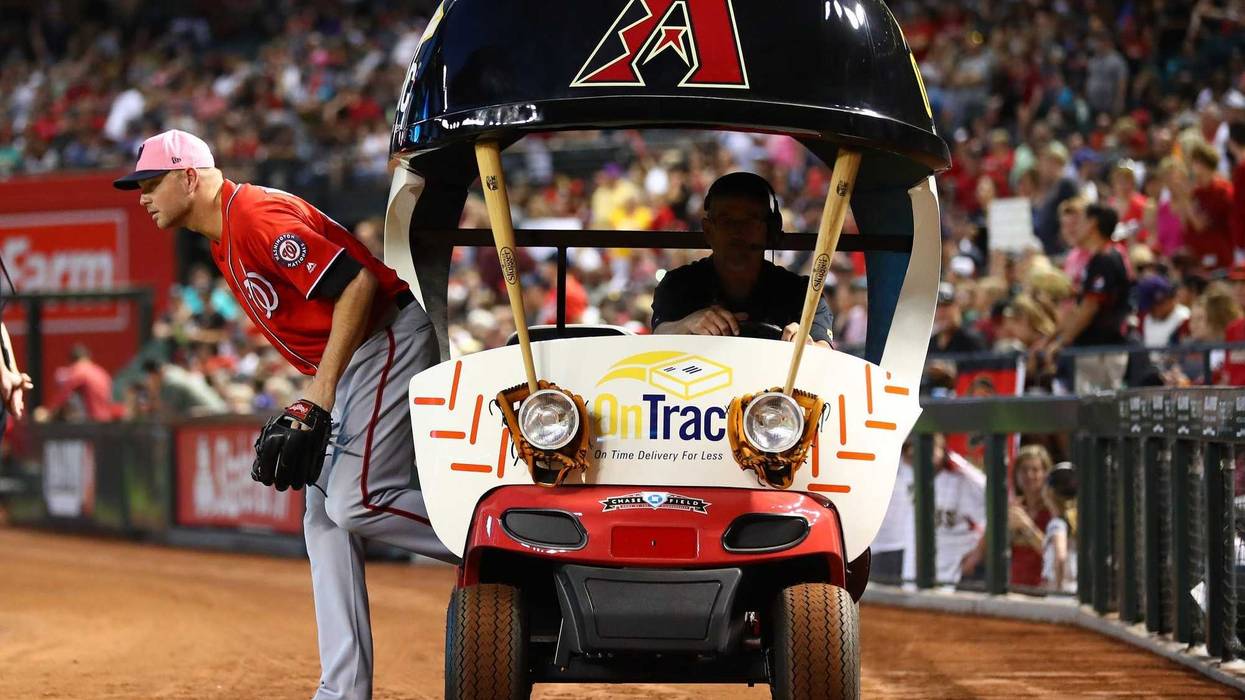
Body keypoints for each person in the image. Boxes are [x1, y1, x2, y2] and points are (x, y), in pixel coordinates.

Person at [114, 129, 451, 700]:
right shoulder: (223, 231)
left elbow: (359, 284)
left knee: (356, 500)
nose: (142, 197)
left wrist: (320, 394)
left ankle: (501, 548)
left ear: (187, 177)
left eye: (150, 184)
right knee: (321, 517)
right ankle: (342, 691)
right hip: (351, 359)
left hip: (384, 338)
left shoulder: (253, 217)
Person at [651, 172, 833, 346]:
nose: (737, 231)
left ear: (771, 230)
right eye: (726, 221)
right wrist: (686, 325)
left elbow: (823, 350)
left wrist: (806, 344)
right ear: (708, 230)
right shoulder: (678, 285)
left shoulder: (803, 295)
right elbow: (657, 337)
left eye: (751, 220)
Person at [1041, 204, 1132, 393]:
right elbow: (1080, 306)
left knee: (1099, 412)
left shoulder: (1106, 258)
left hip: (1103, 350)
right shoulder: (1097, 259)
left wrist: (1061, 342)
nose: (1076, 228)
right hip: (1093, 351)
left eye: (1081, 221)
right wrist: (1052, 338)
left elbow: (1089, 308)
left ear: (1092, 224)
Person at [35, 343, 120, 422]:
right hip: (106, 419)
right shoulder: (101, 371)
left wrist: (47, 411)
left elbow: (64, 393)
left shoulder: (80, 371)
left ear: (73, 361)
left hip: (93, 421)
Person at [1008, 445, 1053, 589]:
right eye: (1023, 470)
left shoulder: (1053, 509)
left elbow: (1054, 554)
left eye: (1035, 470)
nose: (1029, 475)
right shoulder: (1014, 507)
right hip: (1014, 589)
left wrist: (1027, 526)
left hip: (1044, 590)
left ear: (1046, 473)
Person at [1042, 462, 1078, 593]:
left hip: (1062, 591)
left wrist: (1058, 588)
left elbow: (1061, 556)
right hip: (1074, 587)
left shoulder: (1057, 523)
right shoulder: (1075, 519)